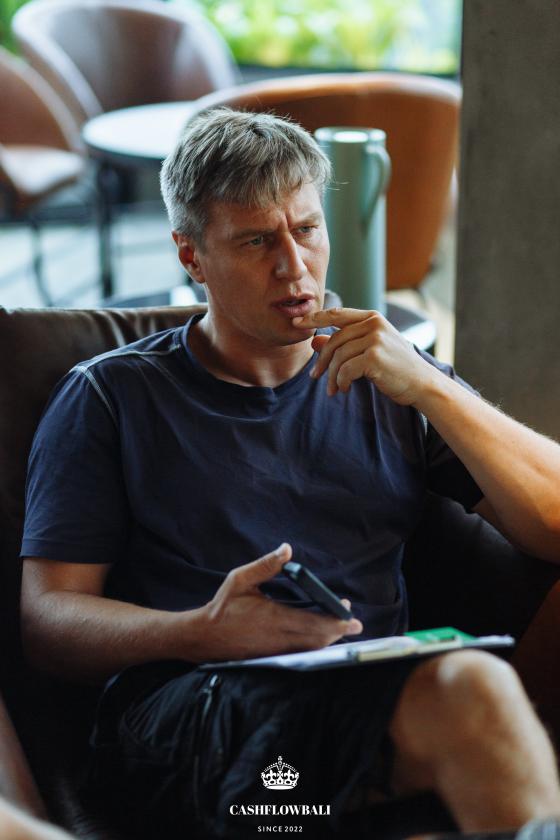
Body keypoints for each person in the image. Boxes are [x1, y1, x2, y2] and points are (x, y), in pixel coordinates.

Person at [19, 108, 560, 839]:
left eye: (306, 229)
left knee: (463, 733)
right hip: (186, 708)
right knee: (472, 690)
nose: (293, 266)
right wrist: (200, 631)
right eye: (256, 241)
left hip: (371, 694)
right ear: (191, 256)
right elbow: (48, 622)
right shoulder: (110, 397)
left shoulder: (390, 377)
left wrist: (435, 389)